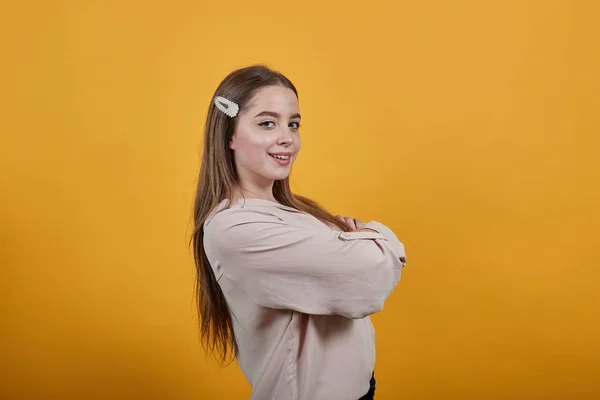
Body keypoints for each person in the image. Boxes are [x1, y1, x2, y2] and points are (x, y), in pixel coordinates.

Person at [191, 64, 407, 400]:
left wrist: (360, 245)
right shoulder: (236, 227)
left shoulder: (292, 212)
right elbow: (371, 275)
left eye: (293, 124)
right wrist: (373, 234)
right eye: (267, 123)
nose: (287, 137)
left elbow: (360, 266)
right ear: (229, 135)